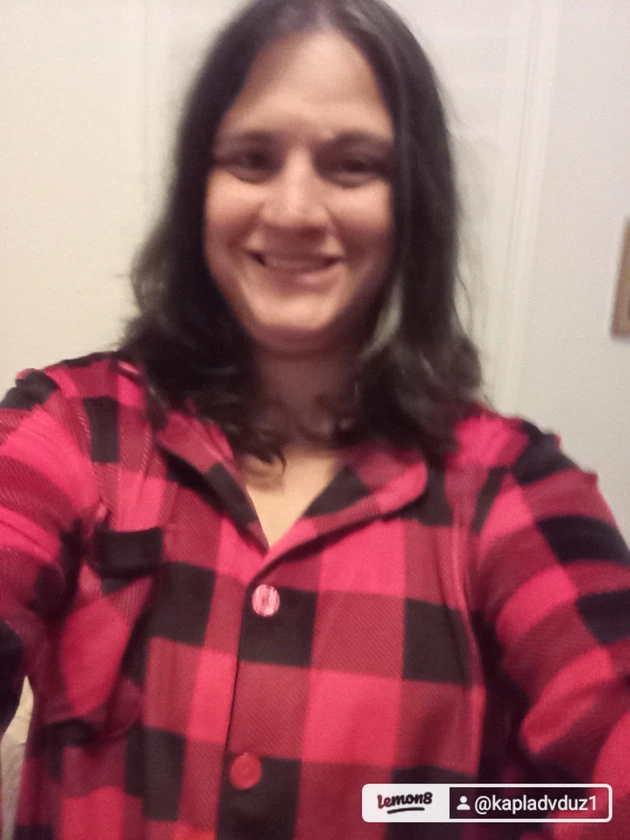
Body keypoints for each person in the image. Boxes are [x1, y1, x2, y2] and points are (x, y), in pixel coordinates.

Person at [0, 0, 628, 837]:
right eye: (252, 160)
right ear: (198, 191)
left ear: (412, 203)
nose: (294, 209)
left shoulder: (512, 488)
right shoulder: (72, 429)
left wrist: (429, 811)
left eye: (352, 165)